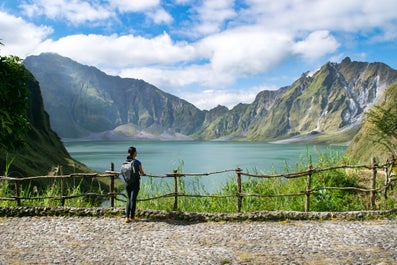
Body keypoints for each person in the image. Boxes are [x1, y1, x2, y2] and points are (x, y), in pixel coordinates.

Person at [124, 146, 145, 223]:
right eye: (136, 151)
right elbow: (142, 172)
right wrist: (144, 174)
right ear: (134, 153)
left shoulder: (125, 162)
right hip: (135, 183)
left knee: (129, 199)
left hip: (127, 183)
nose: (137, 152)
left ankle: (126, 217)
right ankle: (132, 217)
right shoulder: (137, 162)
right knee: (133, 200)